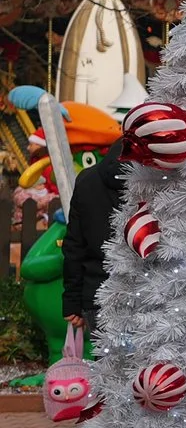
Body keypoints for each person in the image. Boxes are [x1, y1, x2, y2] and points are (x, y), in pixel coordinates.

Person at [59, 139, 124, 338]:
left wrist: (73, 301)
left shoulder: (88, 179)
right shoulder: (159, 179)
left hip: (98, 294)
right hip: (155, 295)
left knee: (108, 365)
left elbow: (74, 246)